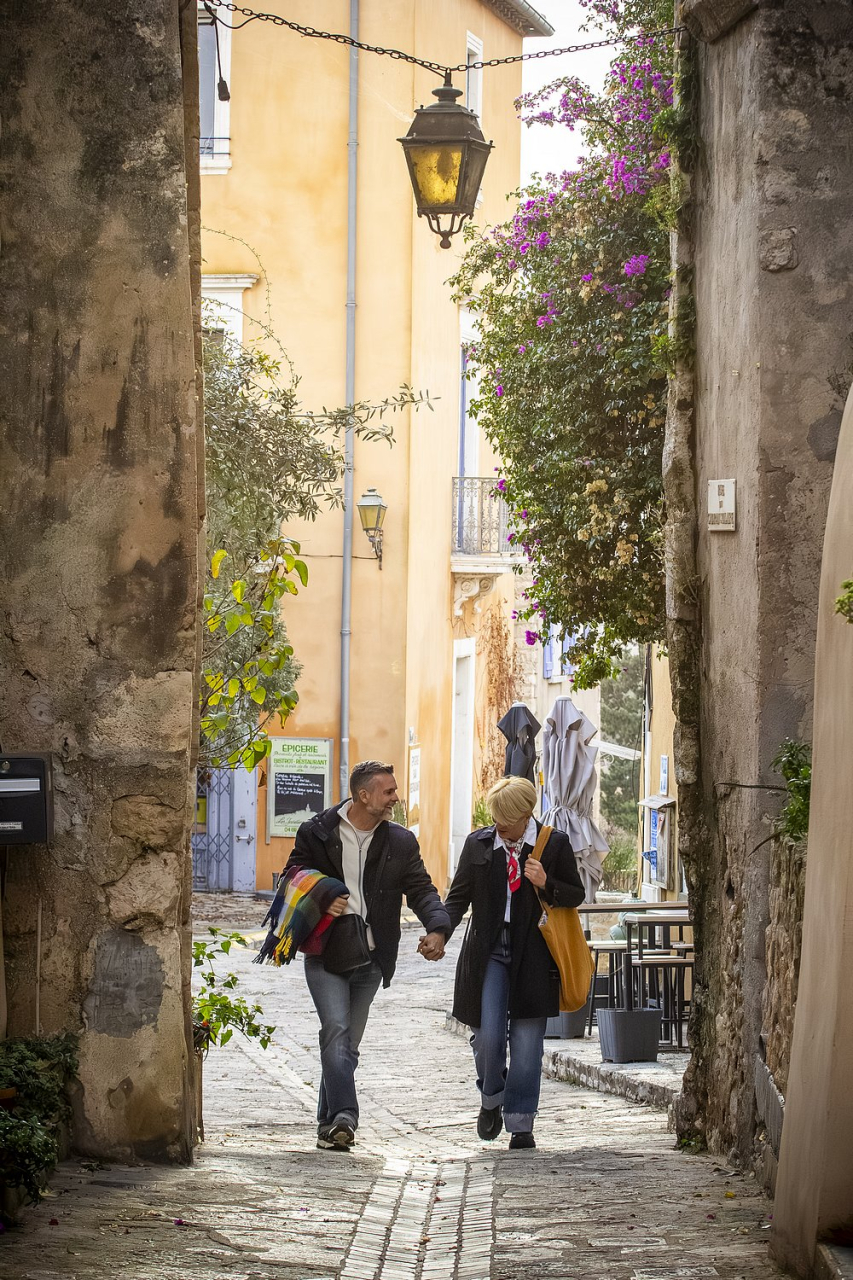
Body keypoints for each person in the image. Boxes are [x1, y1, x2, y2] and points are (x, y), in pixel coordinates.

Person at [286, 760, 450, 1151]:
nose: (396, 797)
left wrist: (438, 928)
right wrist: (323, 897)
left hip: (373, 957)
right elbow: (292, 875)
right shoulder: (318, 832)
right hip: (325, 952)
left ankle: (329, 1125)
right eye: (388, 791)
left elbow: (422, 889)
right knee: (337, 1031)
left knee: (345, 1042)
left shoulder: (400, 841)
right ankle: (346, 1115)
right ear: (363, 795)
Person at [444, 775, 585, 1149]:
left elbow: (575, 894)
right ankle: (491, 1097)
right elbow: (457, 898)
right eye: (496, 819)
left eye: (507, 820)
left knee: (527, 1043)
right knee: (488, 1034)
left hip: (534, 955)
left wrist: (546, 883)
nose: (500, 826)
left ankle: (521, 1123)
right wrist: (439, 931)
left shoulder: (553, 844)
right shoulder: (479, 844)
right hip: (489, 952)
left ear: (526, 814)